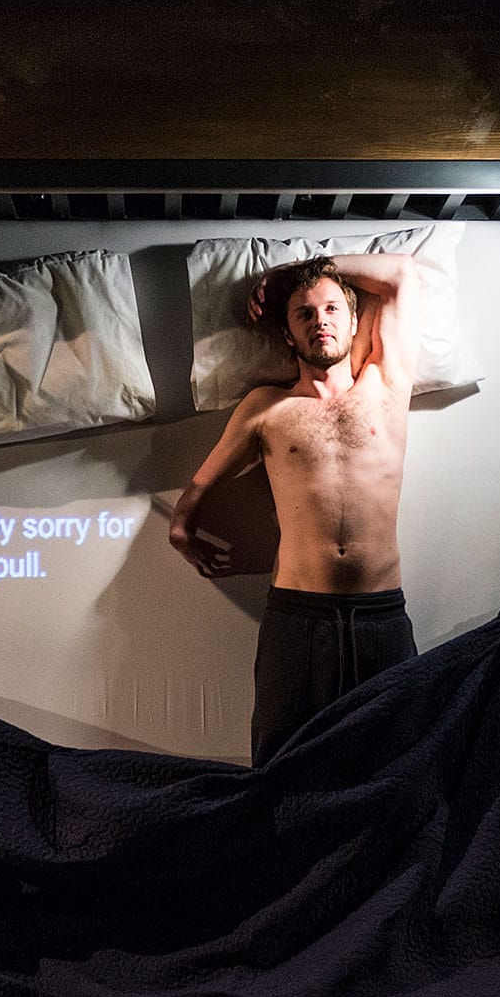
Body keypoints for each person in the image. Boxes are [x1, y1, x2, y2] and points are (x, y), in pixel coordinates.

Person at [169, 252, 423, 766]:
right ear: (287, 335)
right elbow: (195, 492)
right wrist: (181, 530)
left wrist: (295, 271)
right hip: (297, 620)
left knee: (395, 766)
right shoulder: (266, 407)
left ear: (353, 320)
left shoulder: (386, 385)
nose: (319, 321)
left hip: (380, 617)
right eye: (303, 314)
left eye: (331, 309)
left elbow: (401, 274)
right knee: (281, 767)